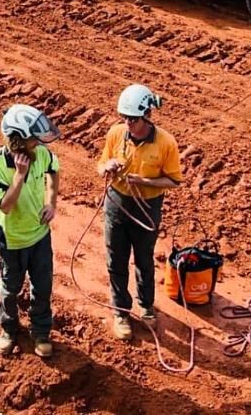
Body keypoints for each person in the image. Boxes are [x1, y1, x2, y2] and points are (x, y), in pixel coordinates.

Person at [95, 84, 183, 340]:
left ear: (147, 115)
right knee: (116, 259)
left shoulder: (166, 143)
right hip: (116, 204)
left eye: (133, 119)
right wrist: (107, 167)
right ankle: (121, 311)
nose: (128, 124)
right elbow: (100, 164)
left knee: (144, 259)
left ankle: (145, 306)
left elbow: (174, 181)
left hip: (147, 208)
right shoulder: (115, 133)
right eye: (124, 118)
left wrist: (145, 182)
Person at [0, 104, 61, 357]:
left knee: (42, 286)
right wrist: (20, 175)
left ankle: (41, 332)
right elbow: (5, 207)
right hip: (12, 239)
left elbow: (54, 172)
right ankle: (8, 328)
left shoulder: (42, 154)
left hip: (40, 235)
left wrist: (51, 202)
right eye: (32, 140)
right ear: (18, 140)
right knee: (10, 287)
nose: (37, 144)